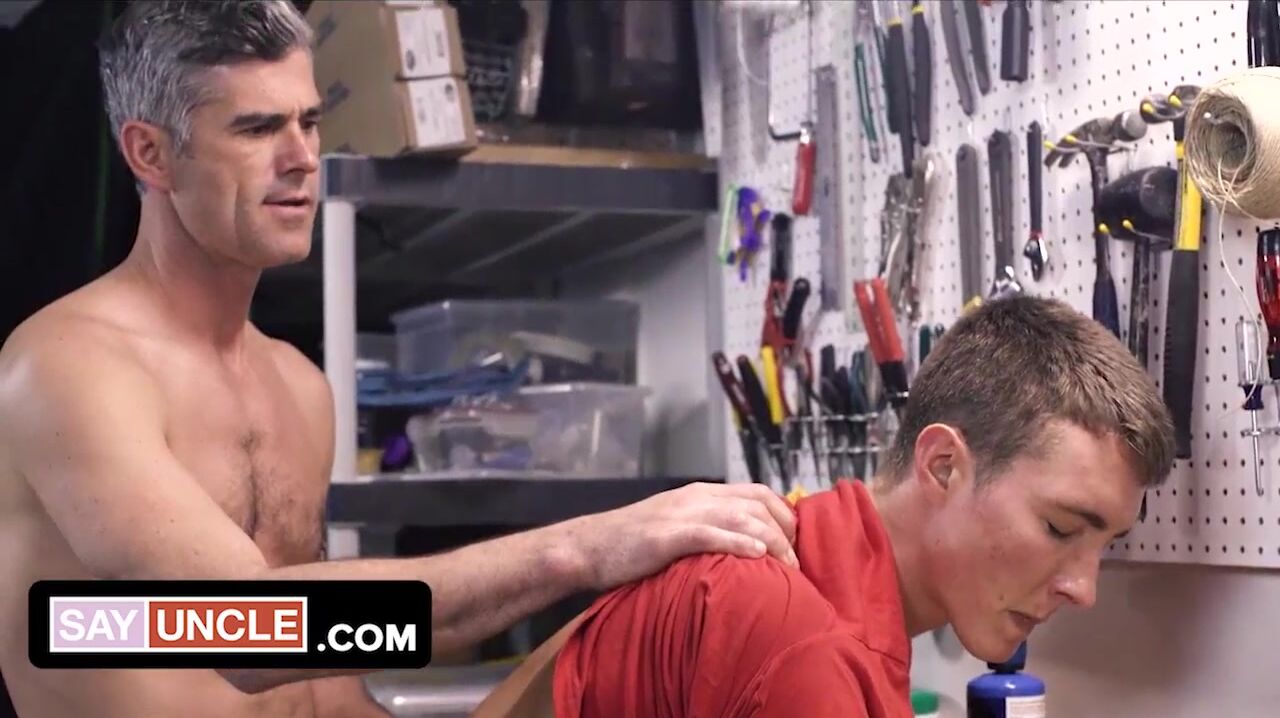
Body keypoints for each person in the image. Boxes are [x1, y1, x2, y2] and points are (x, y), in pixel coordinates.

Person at [0, 2, 797, 717]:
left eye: (309, 122)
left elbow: (322, 684)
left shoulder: (296, 386)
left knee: (654, 640)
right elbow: (251, 633)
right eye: (256, 128)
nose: (302, 157)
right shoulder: (67, 368)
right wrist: (582, 548)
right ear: (150, 154)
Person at [509, 296, 1174, 718]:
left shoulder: (798, 568)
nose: (1083, 589)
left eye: (1105, 544)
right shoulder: (803, 642)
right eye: (1060, 528)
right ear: (942, 465)